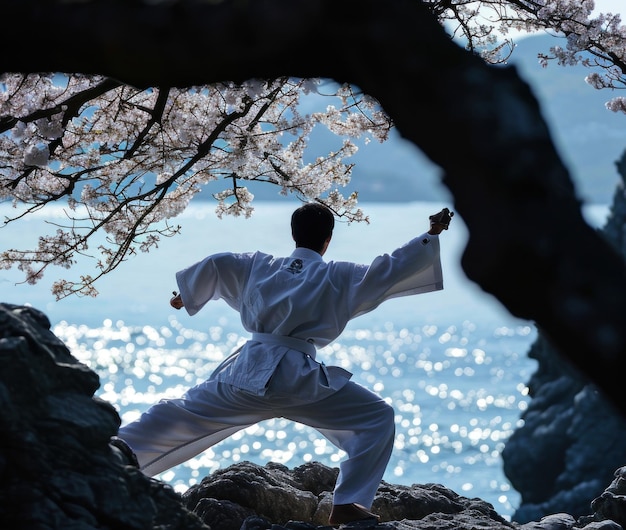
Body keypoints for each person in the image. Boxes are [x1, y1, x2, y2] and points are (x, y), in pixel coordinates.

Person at [116, 203, 453, 526]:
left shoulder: (258, 265)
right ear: (328, 239)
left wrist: (185, 296)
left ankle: (116, 452)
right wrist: (431, 234)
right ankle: (348, 503)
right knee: (376, 417)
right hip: (300, 382)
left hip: (246, 375)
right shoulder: (337, 275)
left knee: (180, 412)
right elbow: (390, 267)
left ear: (293, 235)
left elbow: (219, 263)